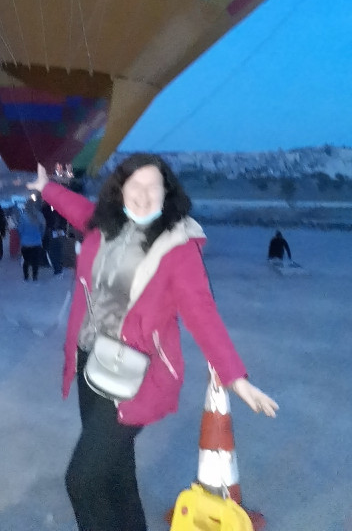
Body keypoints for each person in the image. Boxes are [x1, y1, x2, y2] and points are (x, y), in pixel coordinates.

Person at [28, 155, 279, 531]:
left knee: (82, 480)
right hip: (90, 360)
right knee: (117, 470)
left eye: (153, 187)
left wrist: (235, 377)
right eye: (135, 185)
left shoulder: (178, 245)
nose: (143, 195)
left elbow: (202, 312)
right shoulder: (104, 224)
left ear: (167, 193)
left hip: (137, 373)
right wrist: (47, 187)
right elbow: (77, 208)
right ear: (120, 191)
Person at [17, 196, 45, 281]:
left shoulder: (23, 216)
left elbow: (20, 229)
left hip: (25, 242)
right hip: (37, 241)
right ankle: (35, 277)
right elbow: (43, 227)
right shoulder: (39, 216)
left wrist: (21, 237)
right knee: (35, 261)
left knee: (26, 260)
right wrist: (40, 236)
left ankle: (26, 277)